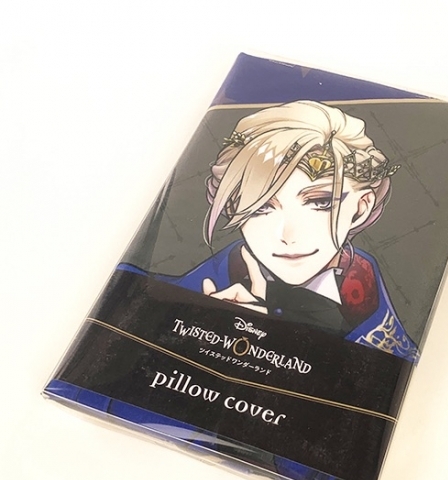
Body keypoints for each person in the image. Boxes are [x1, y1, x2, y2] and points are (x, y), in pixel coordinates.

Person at [120, 100, 418, 362]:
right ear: (232, 207)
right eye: (261, 207)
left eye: (320, 202)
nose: (288, 235)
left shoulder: (381, 325)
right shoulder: (147, 298)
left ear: (361, 207)